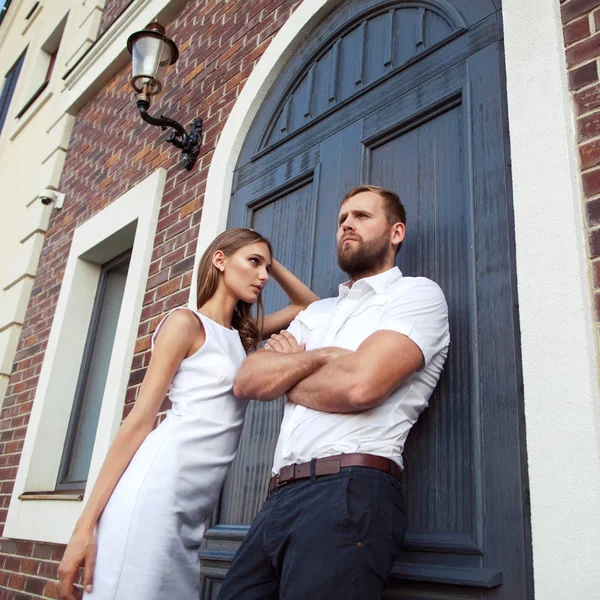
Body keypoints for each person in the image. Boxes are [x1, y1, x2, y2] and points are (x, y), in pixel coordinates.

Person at [58, 228, 319, 600]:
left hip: (192, 508)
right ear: (220, 260)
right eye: (253, 262)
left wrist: (270, 262)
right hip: (156, 491)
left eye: (266, 266)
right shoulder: (185, 324)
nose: (263, 275)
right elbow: (139, 421)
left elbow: (308, 305)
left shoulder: (243, 336)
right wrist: (84, 527)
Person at [218, 185, 450, 600]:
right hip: (277, 499)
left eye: (362, 216)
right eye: (343, 219)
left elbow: (362, 385)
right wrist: (325, 356)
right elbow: (249, 379)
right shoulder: (317, 313)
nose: (347, 224)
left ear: (396, 233)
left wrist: (287, 379)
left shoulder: (416, 295)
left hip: (348, 490)